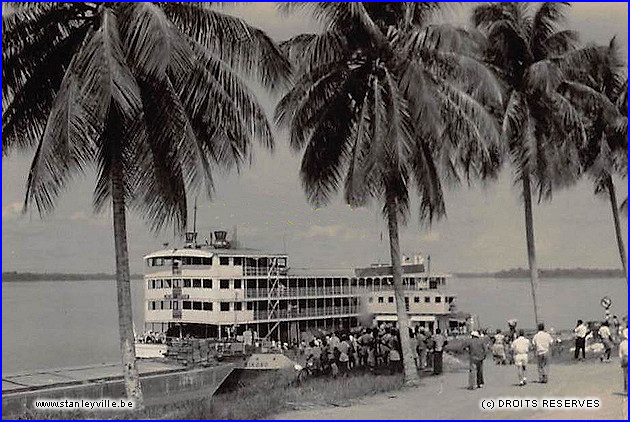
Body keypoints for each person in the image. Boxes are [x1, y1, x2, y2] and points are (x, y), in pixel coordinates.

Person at [619, 328, 628, 394]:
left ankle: (627, 389)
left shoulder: (622, 343)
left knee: (626, 375)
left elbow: (620, 354)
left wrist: (621, 361)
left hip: (625, 358)